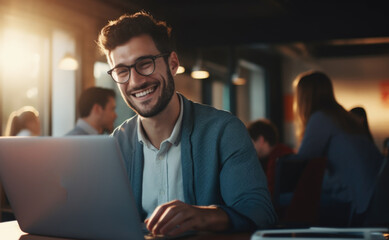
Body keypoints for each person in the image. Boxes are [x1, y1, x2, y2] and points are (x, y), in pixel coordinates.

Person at [97, 11, 276, 237]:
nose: (135, 81)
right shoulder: (116, 144)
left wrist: (204, 216)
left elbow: (261, 212)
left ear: (172, 64)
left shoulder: (224, 131)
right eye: (122, 71)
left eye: (145, 64)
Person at [292, 70, 384, 226]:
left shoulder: (320, 118)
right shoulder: (343, 117)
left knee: (295, 206)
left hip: (359, 200)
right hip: (375, 194)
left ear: (304, 98)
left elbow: (301, 161)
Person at [247, 119, 294, 196]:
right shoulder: (287, 153)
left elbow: (269, 195)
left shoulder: (276, 160)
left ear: (261, 140)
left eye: (251, 142)